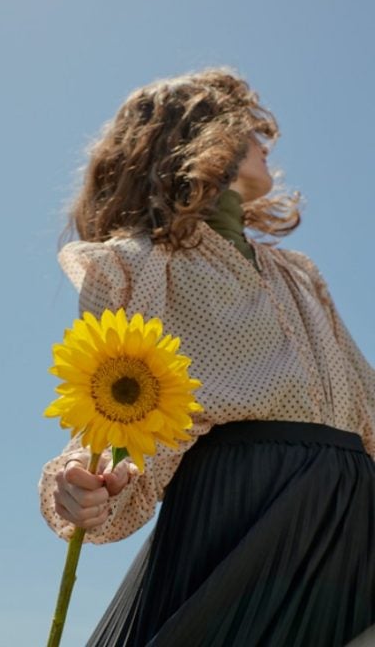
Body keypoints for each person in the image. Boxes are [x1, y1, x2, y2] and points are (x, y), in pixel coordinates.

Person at [38, 66, 375, 646]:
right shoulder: (136, 265)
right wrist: (84, 486)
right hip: (241, 520)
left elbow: (366, 407)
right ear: (201, 136)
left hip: (355, 521)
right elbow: (116, 415)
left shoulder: (300, 275)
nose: (265, 144)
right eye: (249, 129)